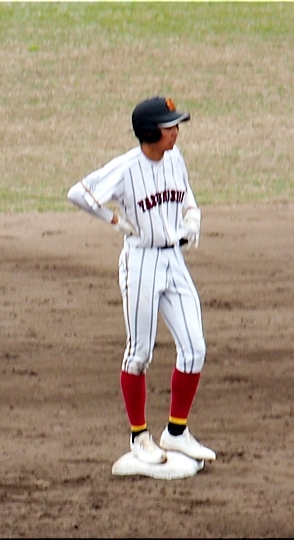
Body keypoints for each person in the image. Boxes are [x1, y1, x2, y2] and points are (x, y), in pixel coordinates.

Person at [67, 96, 216, 465]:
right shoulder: (126, 168)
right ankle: (139, 437)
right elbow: (79, 194)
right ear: (150, 132)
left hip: (173, 259)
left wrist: (192, 215)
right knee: (139, 354)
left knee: (195, 349)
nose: (176, 132)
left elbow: (184, 192)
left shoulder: (175, 158)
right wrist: (114, 220)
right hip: (142, 262)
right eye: (169, 126)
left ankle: (176, 433)